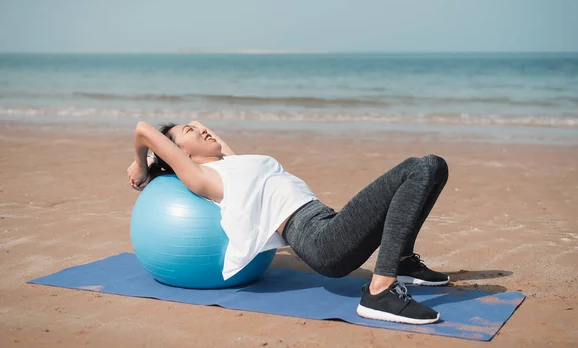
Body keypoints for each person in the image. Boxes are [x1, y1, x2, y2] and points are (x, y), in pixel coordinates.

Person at [127, 120, 450, 325]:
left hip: (328, 221)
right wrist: (142, 165)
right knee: (416, 169)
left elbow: (199, 121)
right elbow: (144, 130)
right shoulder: (206, 179)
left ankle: (403, 260)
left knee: (435, 165)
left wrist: (191, 128)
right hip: (318, 240)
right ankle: (380, 291)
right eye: (189, 133)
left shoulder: (233, 162)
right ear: (178, 152)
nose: (200, 129)